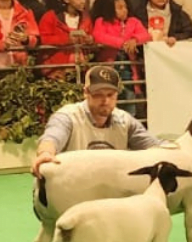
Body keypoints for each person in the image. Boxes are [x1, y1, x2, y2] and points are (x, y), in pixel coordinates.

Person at [30, 65, 166, 177]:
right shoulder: (67, 116)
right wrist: (46, 153)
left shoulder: (125, 120)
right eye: (98, 94)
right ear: (85, 92)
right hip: (74, 188)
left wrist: (176, 149)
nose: (105, 101)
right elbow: (52, 137)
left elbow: (153, 146)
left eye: (110, 95)